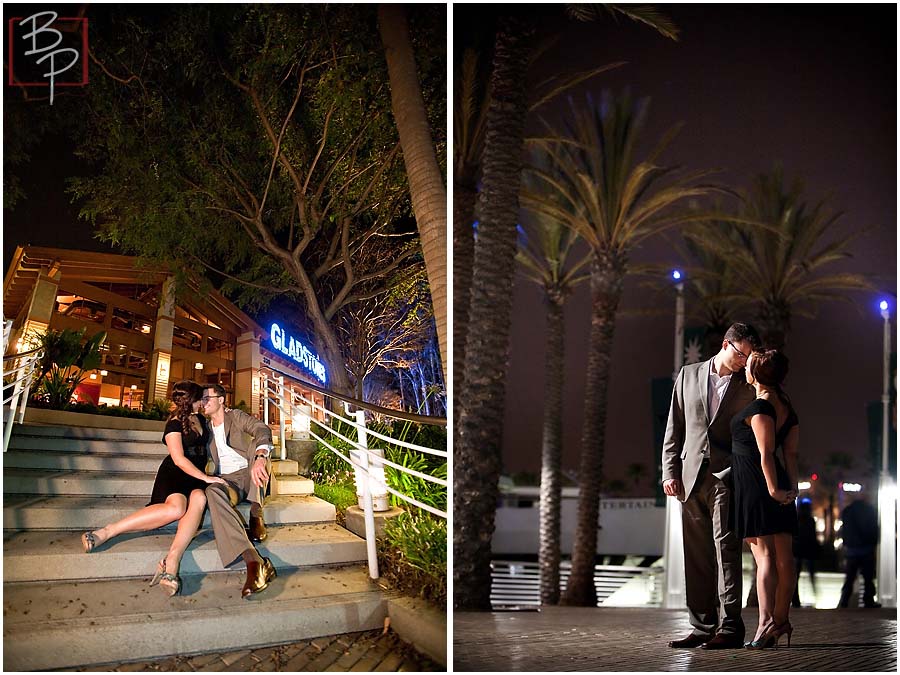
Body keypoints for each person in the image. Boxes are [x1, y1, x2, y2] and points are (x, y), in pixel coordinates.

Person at [661, 322, 761, 650]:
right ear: (725, 344)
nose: (743, 361)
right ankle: (702, 625)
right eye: (740, 353)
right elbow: (674, 427)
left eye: (748, 357)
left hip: (726, 478)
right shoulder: (688, 375)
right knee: (697, 556)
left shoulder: (748, 385)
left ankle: (731, 626)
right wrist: (669, 472)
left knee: (726, 550)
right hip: (689, 478)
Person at [80, 380, 227, 596]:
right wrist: (207, 477)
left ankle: (172, 561)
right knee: (176, 509)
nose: (204, 401)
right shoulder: (174, 423)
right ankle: (106, 531)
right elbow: (178, 459)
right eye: (201, 398)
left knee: (199, 499)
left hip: (195, 478)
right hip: (176, 475)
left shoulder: (200, 419)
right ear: (192, 400)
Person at [731, 349, 799, 649]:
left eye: (748, 366)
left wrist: (772, 490)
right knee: (783, 557)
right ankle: (780, 620)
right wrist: (791, 488)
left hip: (759, 486)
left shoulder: (761, 406)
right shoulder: (786, 405)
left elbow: (766, 452)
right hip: (779, 484)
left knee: (765, 558)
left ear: (756, 374)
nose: (744, 369)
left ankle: (764, 624)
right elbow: (791, 453)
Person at [201, 383, 277, 598]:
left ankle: (256, 511)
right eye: (202, 398)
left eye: (208, 397)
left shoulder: (235, 416)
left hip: (249, 471)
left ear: (222, 400)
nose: (204, 402)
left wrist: (261, 457)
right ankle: (254, 560)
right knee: (212, 492)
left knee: (258, 448)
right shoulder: (205, 428)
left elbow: (261, 429)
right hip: (228, 481)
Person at [838, 491, 881, 608]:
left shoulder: (847, 511)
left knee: (850, 577)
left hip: (852, 549)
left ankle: (844, 600)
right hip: (866, 548)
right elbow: (874, 529)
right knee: (868, 577)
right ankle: (868, 600)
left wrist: (847, 543)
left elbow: (844, 530)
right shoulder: (870, 510)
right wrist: (873, 543)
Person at [792, 500, 819, 607]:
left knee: (795, 577)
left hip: (797, 550)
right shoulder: (810, 520)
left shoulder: (796, 518)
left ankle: (795, 600)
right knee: (811, 574)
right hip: (808, 551)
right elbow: (812, 536)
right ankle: (815, 594)